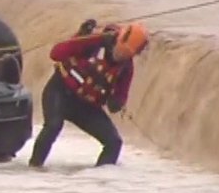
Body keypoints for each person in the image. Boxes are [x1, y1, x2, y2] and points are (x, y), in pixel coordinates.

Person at [28, 19, 149, 168]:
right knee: (53, 126)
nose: (120, 55)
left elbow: (120, 95)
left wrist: (117, 102)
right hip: (60, 91)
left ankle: (98, 179)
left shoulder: (126, 67)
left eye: (126, 54)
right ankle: (34, 167)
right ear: (118, 39)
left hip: (86, 106)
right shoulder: (93, 42)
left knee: (114, 142)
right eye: (121, 50)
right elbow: (55, 53)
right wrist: (80, 37)